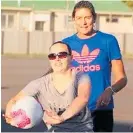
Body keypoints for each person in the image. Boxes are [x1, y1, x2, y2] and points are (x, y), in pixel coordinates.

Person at [62, 1, 127, 132]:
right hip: (73, 109)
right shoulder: (65, 44)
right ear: (73, 19)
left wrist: (110, 91)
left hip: (101, 110)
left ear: (94, 18)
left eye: (87, 17)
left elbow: (122, 78)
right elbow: (54, 75)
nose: (83, 22)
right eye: (79, 18)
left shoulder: (108, 41)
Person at [3, 41, 93, 132]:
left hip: (82, 130)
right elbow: (14, 100)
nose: (57, 59)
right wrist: (9, 115)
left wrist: (62, 117)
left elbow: (83, 98)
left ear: (71, 57)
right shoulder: (39, 84)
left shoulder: (81, 77)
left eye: (62, 55)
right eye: (52, 56)